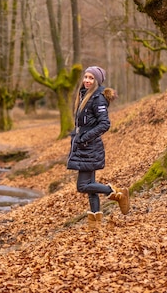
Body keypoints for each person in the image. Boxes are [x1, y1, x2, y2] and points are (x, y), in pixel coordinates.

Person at [67, 66, 130, 229]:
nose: (87, 80)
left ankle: (118, 193)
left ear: (97, 81)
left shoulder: (98, 98)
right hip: (84, 146)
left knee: (82, 186)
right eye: (86, 77)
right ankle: (95, 226)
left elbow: (104, 124)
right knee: (91, 187)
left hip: (89, 147)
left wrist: (84, 138)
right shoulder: (84, 95)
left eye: (91, 78)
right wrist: (77, 137)